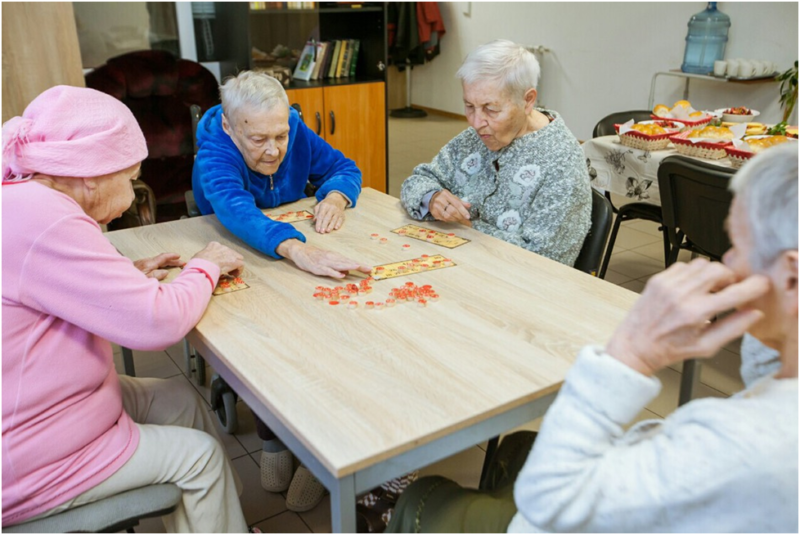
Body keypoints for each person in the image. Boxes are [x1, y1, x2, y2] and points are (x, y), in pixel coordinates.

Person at [387, 144, 799, 533]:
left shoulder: (743, 447)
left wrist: (630, 352)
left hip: (559, 506)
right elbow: (769, 378)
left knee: (423, 495)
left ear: (792, 274)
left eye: (736, 246)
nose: (725, 260)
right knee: (520, 449)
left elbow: (547, 499)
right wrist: (776, 310)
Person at [1, 86, 251, 534]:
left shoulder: (26, 195)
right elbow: (159, 324)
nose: (134, 194)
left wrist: (125, 272)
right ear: (90, 174)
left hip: (57, 402)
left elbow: (53, 283)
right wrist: (205, 267)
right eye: (131, 178)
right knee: (202, 459)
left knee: (179, 399)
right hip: (29, 454)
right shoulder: (47, 217)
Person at [400, 40, 591, 267]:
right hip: (459, 265)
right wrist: (432, 198)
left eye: (490, 109)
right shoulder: (475, 137)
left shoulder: (562, 162)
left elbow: (544, 259)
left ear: (528, 100)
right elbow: (417, 181)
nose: (476, 122)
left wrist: (469, 227)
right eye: (469, 106)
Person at [193, 70, 371, 279]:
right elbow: (236, 211)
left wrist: (336, 198)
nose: (273, 151)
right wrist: (299, 251)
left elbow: (344, 168)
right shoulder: (214, 152)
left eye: (281, 136)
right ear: (228, 126)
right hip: (235, 244)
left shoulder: (295, 127)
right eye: (258, 140)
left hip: (296, 234)